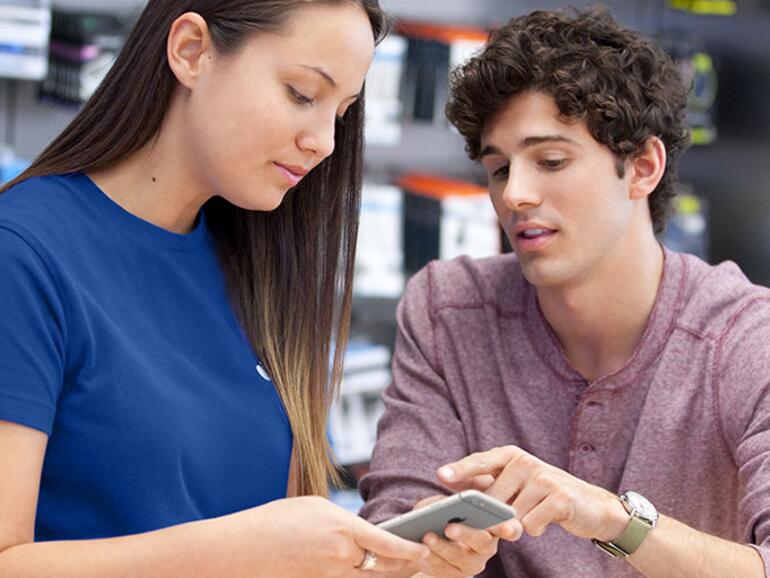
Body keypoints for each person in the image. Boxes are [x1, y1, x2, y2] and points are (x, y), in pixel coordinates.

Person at [0, 1, 436, 576]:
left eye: (343, 111)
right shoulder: (24, 254)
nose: (325, 142)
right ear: (191, 51)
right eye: (303, 94)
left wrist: (396, 560)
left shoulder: (261, 264)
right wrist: (237, 553)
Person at [360, 8, 770, 578]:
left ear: (643, 167)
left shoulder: (746, 338)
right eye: (499, 169)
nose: (516, 196)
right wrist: (430, 551)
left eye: (551, 160)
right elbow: (391, 528)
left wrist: (612, 518)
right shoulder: (448, 308)